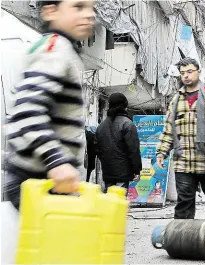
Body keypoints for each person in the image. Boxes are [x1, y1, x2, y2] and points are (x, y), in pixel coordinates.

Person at [3, 0, 95, 210]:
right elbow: (28, 112)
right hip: (38, 178)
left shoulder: (59, 48)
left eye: (92, 8)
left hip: (45, 179)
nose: (89, 15)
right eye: (79, 7)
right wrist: (56, 162)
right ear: (50, 12)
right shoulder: (56, 49)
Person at [156, 57, 205, 242]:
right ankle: (181, 239)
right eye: (182, 73)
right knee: (184, 201)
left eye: (189, 71)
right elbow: (169, 129)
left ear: (199, 71)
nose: (186, 76)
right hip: (183, 161)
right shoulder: (176, 100)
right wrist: (162, 152)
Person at [95, 93, 141, 194]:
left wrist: (106, 161)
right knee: (119, 201)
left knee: (110, 202)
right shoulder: (128, 124)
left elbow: (97, 149)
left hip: (107, 171)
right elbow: (133, 149)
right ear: (124, 106)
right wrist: (137, 170)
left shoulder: (101, 126)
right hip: (123, 172)